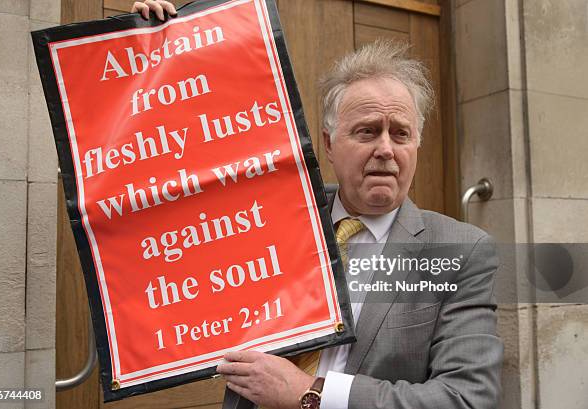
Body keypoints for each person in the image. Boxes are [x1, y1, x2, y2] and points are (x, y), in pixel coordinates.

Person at [133, 2, 504, 409]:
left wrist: (311, 394)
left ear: (416, 145)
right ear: (328, 144)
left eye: (400, 134)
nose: (385, 149)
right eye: (366, 131)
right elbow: (187, 173)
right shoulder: (270, 218)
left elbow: (467, 398)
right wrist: (157, 48)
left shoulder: (462, 251)